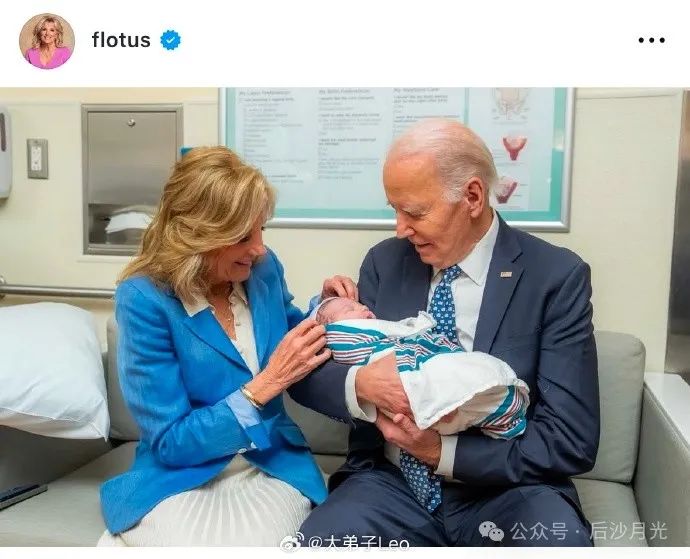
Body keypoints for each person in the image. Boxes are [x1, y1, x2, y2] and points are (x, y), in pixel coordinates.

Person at [291, 119, 600, 546]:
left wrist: (441, 452)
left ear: (472, 196)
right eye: (394, 210)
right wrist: (362, 383)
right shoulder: (385, 263)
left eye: (415, 212)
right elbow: (307, 376)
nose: (400, 228)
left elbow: (571, 439)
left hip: (508, 488)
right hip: (391, 485)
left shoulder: (554, 276)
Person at [98, 146, 353, 546]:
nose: (260, 247)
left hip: (271, 461)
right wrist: (261, 388)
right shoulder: (144, 299)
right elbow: (171, 442)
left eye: (261, 229)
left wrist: (325, 309)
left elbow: (289, 332)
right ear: (197, 235)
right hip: (180, 474)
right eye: (242, 236)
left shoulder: (262, 270)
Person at [313, 296, 530, 440]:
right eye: (350, 308)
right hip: (393, 447)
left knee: (474, 370)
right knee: (454, 378)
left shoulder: (545, 273)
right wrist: (359, 382)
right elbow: (315, 345)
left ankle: (499, 404)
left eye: (359, 305)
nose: (363, 307)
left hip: (477, 456)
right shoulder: (344, 335)